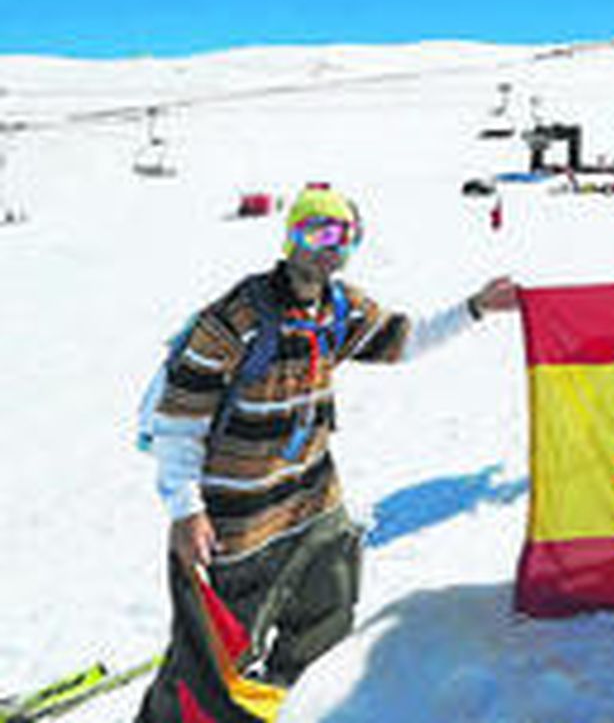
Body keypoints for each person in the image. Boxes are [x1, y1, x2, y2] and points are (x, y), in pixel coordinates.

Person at [135, 183, 523, 721]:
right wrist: (185, 509)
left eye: (342, 235)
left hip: (315, 504)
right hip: (239, 525)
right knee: (212, 655)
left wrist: (477, 307)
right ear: (292, 236)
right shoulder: (235, 319)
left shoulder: (338, 309)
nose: (329, 246)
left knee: (326, 615)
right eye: (317, 232)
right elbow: (179, 420)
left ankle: (285, 707)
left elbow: (407, 339)